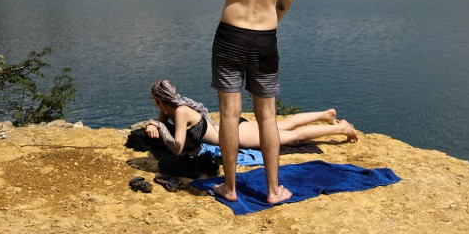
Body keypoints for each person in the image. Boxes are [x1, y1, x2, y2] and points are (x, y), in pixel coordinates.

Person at [210, 0, 296, 204]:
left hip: (229, 34)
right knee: (267, 115)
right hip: (265, 38)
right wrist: (271, 19)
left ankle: (230, 188)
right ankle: (273, 191)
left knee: (229, 114)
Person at [136, 79, 359, 157]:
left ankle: (341, 129)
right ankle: (326, 114)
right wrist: (153, 123)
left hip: (237, 136)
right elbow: (161, 123)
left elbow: (176, 147)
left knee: (292, 135)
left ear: (157, 100)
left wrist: (158, 127)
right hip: (235, 127)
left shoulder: (181, 112)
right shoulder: (171, 108)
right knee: (282, 124)